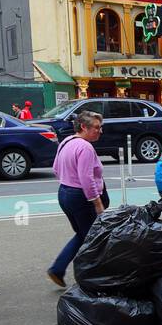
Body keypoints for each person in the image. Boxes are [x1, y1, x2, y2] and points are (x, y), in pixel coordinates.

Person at [47, 111, 106, 288]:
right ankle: (92, 276)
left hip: (64, 193)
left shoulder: (66, 141)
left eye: (100, 127)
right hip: (81, 197)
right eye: (96, 127)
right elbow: (86, 179)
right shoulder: (85, 147)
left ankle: (58, 269)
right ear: (83, 127)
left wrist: (68, 179)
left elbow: (56, 168)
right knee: (93, 238)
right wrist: (97, 203)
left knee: (83, 235)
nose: (100, 131)